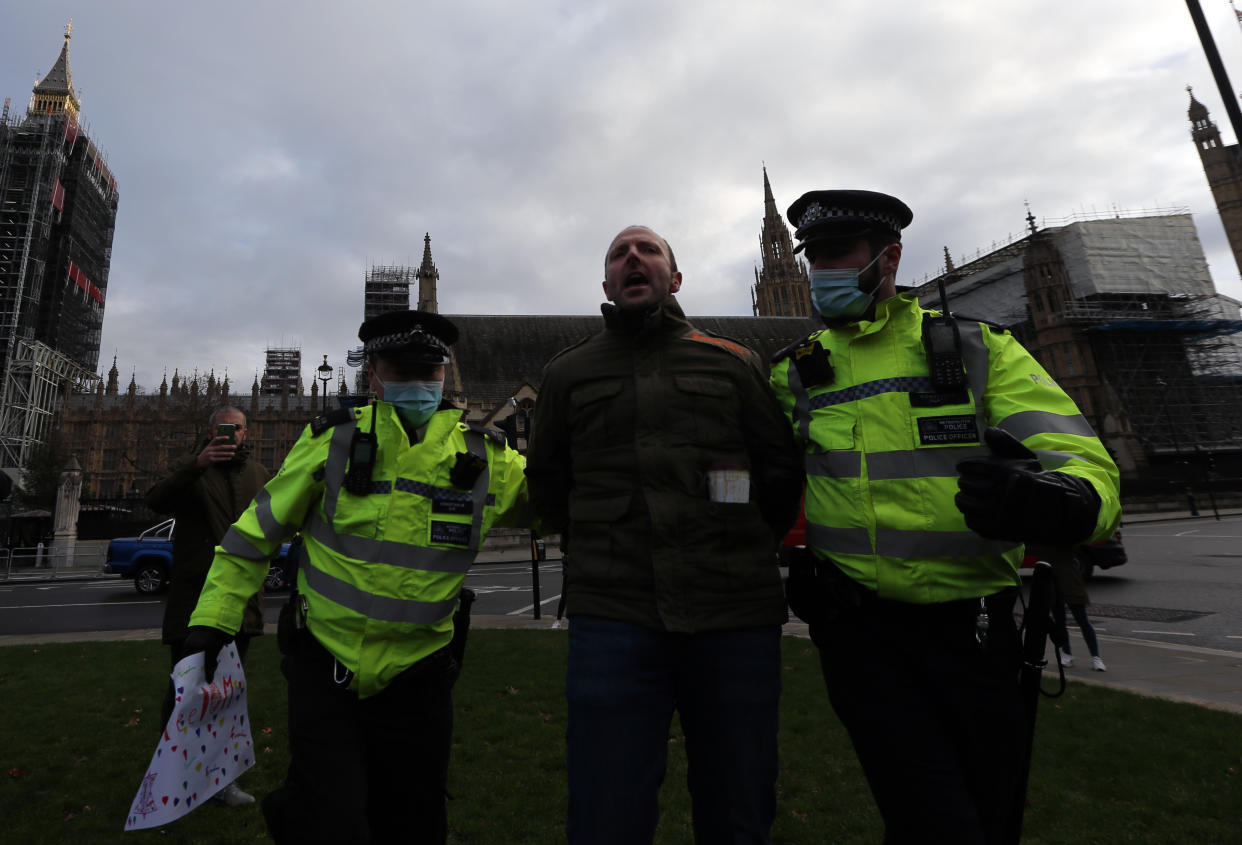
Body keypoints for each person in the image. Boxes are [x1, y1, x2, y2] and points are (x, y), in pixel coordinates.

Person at [769, 190, 1122, 844]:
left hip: (975, 633)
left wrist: (1063, 498)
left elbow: (1085, 461)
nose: (822, 269)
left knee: (987, 810)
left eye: (836, 253)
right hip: (861, 639)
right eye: (812, 257)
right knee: (931, 815)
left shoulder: (977, 349)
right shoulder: (793, 374)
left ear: (889, 257)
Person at [182, 310, 530, 844]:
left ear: (444, 375)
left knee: (413, 824)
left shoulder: (488, 458)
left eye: (428, 371)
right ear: (373, 375)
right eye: (400, 369)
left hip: (420, 680)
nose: (416, 383)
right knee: (334, 822)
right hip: (327, 669)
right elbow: (253, 536)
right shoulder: (332, 443)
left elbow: (565, 502)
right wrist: (213, 621)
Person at [525, 225, 803, 845]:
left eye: (648, 249)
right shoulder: (568, 373)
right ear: (606, 283)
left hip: (733, 613)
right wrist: (596, 541)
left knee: (739, 801)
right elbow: (548, 480)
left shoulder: (734, 362)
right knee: (607, 807)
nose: (633, 258)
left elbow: (778, 470)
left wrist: (745, 543)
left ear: (675, 279)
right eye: (620, 253)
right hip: (614, 614)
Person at [144, 405, 268, 807]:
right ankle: (171, 777)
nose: (230, 435)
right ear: (211, 431)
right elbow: (157, 500)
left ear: (247, 434)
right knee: (183, 693)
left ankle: (219, 782)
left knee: (227, 695)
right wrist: (195, 464)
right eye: (222, 429)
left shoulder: (259, 475)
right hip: (195, 603)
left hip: (240, 604)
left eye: (237, 429)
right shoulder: (191, 468)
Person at [1048, 549, 1106, 671]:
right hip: (1053, 579)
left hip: (1070, 579)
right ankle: (1067, 654)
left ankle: (1096, 657)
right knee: (1060, 621)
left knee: (1082, 620)